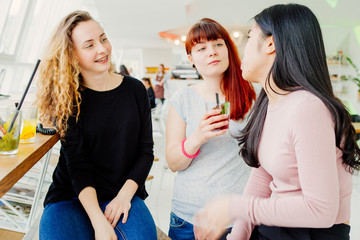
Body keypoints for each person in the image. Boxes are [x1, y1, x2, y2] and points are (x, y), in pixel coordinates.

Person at [193, 4, 360, 240]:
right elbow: (263, 175)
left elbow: (321, 210)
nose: (242, 49)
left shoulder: (307, 108)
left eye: (250, 37)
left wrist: (234, 206)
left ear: (270, 44)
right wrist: (237, 235)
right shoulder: (270, 102)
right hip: (278, 227)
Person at [36, 11, 157, 240]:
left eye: (103, 39)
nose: (102, 49)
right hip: (71, 196)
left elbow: (145, 151)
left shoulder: (135, 90)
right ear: (72, 56)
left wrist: (124, 197)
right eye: (89, 45)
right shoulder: (68, 100)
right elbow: (78, 166)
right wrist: (98, 221)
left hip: (122, 193)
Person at [166, 18, 256, 240]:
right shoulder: (182, 99)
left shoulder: (252, 95)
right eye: (201, 48)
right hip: (188, 218)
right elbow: (174, 163)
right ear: (191, 59)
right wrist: (198, 137)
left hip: (237, 218)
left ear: (228, 49)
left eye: (218, 44)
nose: (212, 52)